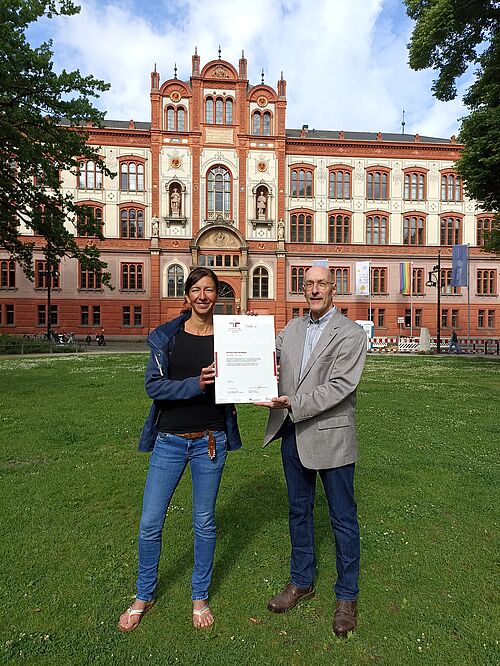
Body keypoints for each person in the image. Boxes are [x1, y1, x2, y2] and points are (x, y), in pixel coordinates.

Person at [118, 267, 242, 632]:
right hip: (169, 440)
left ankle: (199, 595)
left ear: (217, 295)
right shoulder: (166, 337)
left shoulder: (230, 334)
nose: (203, 296)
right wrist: (195, 383)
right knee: (150, 522)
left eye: (210, 289)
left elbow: (250, 375)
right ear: (186, 295)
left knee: (204, 522)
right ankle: (144, 594)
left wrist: (254, 341)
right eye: (196, 290)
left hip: (210, 440)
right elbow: (154, 387)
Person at [259, 265, 367, 637]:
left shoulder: (350, 334)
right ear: (302, 289)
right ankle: (301, 581)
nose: (315, 290)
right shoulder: (292, 329)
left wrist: (293, 401)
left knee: (342, 518)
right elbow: (264, 360)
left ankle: (346, 596)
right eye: (309, 284)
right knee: (298, 512)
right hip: (293, 434)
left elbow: (340, 386)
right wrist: (228, 358)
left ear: (333, 288)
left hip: (331, 437)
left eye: (322, 283)